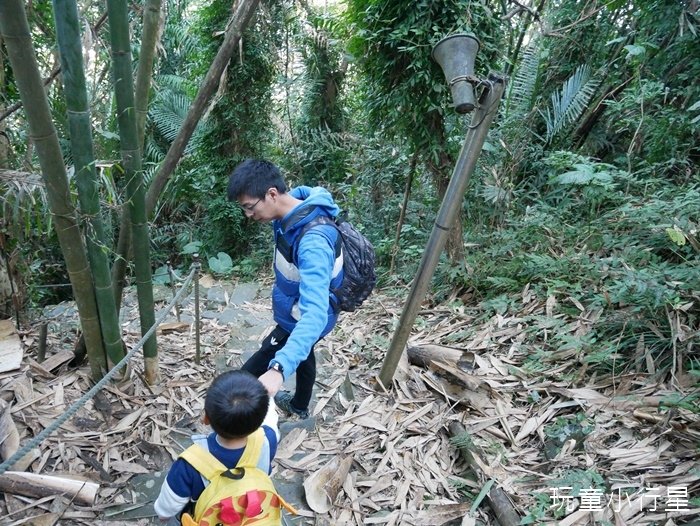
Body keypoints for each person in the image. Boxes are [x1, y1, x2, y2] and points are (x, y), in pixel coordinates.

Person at [227, 159, 343, 419]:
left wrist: (278, 369)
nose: (248, 214)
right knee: (305, 351)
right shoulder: (293, 207)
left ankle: (229, 410)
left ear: (271, 194)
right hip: (296, 307)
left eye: (249, 207)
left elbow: (314, 315)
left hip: (304, 316)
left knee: (261, 361)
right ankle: (300, 405)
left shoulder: (312, 243)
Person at [153, 369, 279, 521]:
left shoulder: (189, 465)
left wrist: (163, 515)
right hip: (254, 514)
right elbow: (271, 418)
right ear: (261, 420)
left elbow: (167, 506)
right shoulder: (268, 438)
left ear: (206, 418)